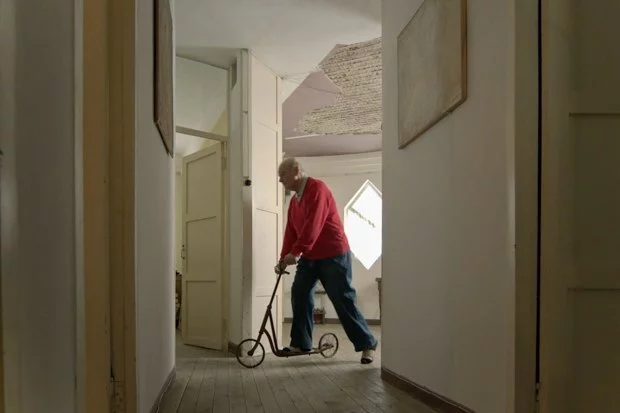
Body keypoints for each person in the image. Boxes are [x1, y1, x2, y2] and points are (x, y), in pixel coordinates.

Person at [276, 157, 378, 364]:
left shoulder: (317, 189)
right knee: (299, 293)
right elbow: (291, 232)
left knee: (342, 299)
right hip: (310, 256)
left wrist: (296, 252)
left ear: (296, 170)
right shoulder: (294, 201)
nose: (280, 180)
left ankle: (367, 344)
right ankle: (301, 343)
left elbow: (313, 225)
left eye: (282, 174)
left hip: (333, 254)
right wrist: (283, 258)